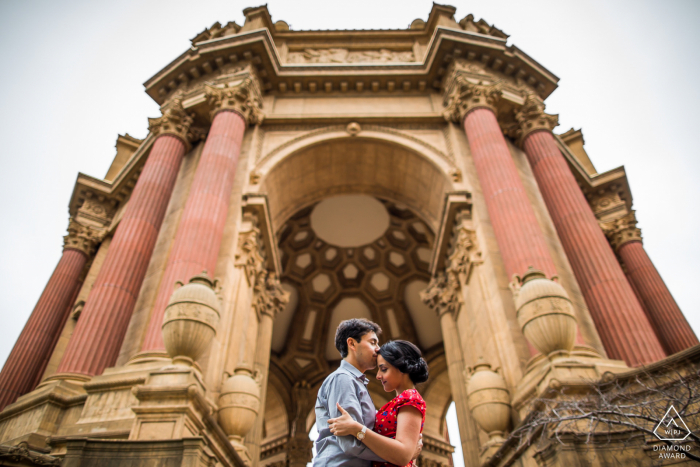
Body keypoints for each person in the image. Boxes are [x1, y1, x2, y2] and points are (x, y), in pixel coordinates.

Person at [313, 319, 421, 466]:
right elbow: (351, 443)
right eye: (373, 342)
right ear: (351, 344)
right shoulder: (343, 379)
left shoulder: (355, 382)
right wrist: (400, 455)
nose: (378, 349)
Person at [328, 340, 428, 467]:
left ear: (403, 366)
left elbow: (403, 455)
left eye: (384, 369)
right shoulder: (401, 401)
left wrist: (356, 429)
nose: (378, 376)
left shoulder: (410, 398)